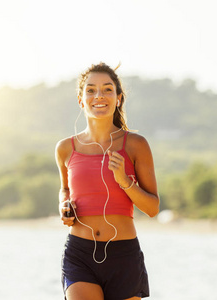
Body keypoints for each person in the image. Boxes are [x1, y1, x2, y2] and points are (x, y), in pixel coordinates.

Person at [55, 62, 160, 300]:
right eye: (90, 90)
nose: (98, 95)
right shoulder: (65, 148)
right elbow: (65, 189)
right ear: (81, 101)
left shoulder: (135, 145)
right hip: (79, 254)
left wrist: (124, 181)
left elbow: (152, 208)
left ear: (119, 98)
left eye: (107, 89)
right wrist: (64, 205)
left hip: (124, 254)